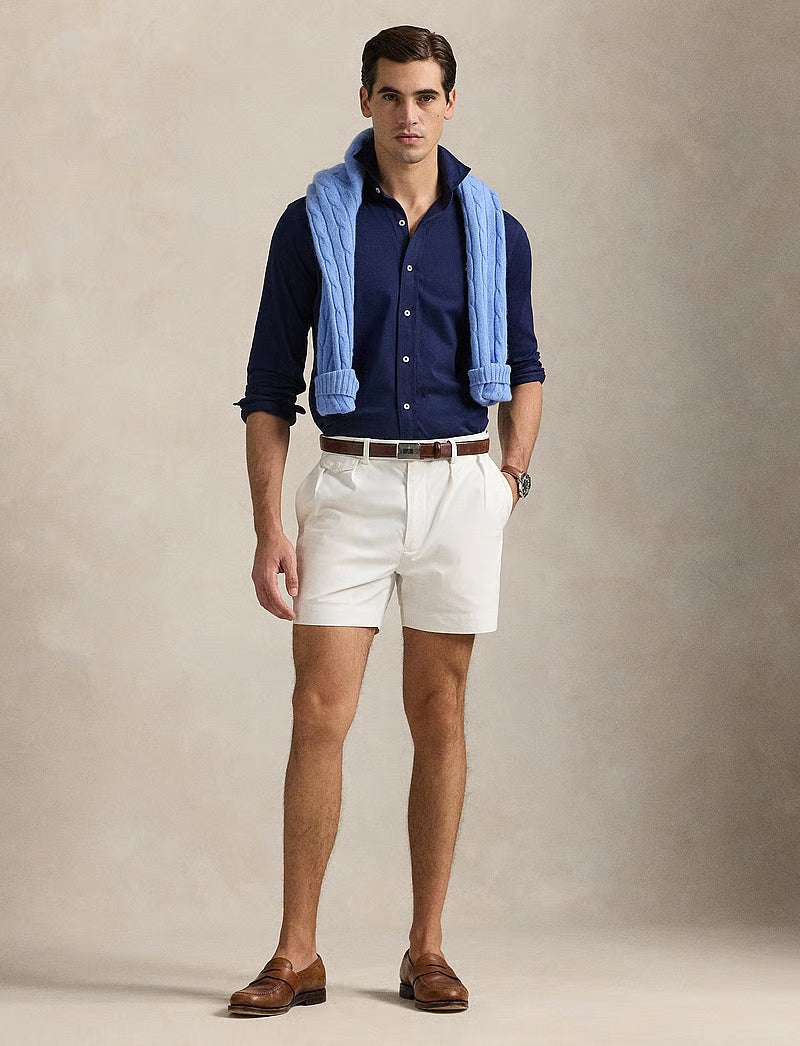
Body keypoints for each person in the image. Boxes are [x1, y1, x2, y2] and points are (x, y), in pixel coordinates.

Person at [227, 24, 545, 1018]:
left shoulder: (494, 229)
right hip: (351, 486)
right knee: (317, 712)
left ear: (450, 104)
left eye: (426, 96)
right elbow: (269, 387)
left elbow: (525, 366)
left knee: (439, 711)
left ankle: (426, 947)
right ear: (364, 100)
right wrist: (269, 526)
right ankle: (296, 953)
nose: (409, 114)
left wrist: (508, 480)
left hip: (459, 487)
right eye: (392, 95)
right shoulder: (310, 223)